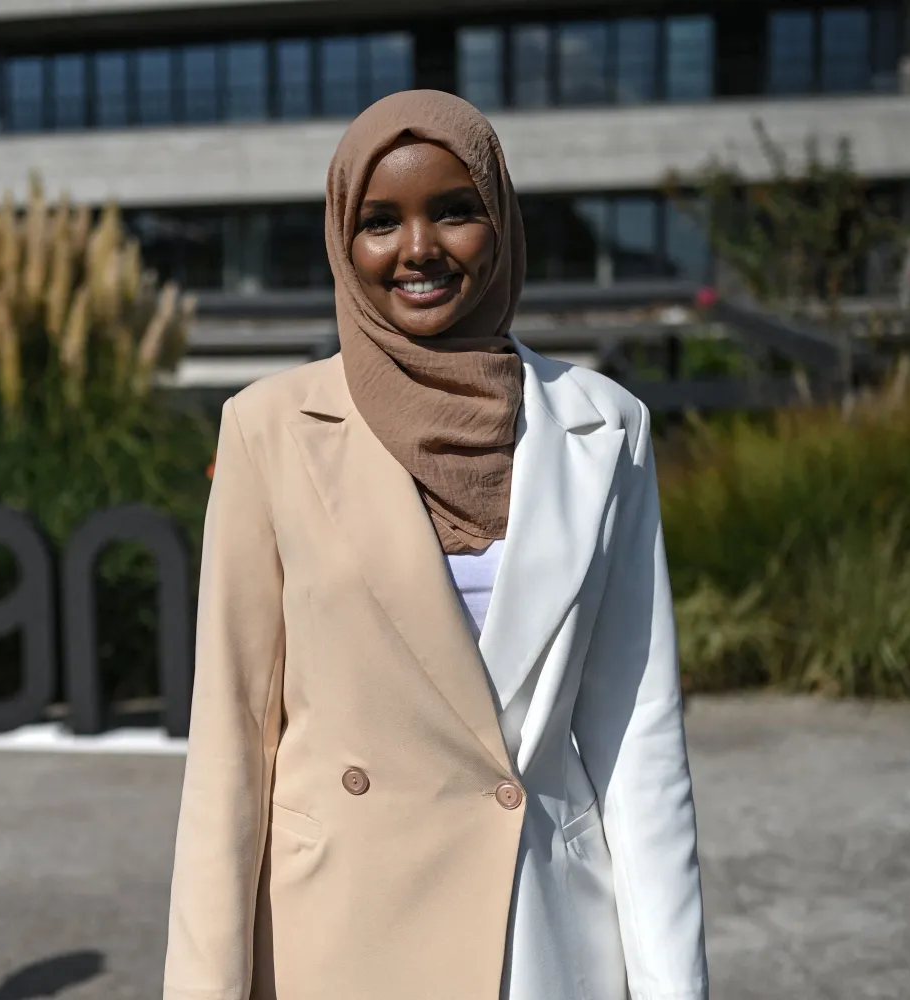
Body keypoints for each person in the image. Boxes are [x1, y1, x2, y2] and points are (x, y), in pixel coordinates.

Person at [163, 90, 708, 1000]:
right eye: (380, 221)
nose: (417, 249)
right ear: (344, 238)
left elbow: (638, 744)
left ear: (501, 225)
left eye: (454, 210)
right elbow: (227, 751)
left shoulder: (607, 425)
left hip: (544, 933)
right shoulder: (268, 429)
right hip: (338, 940)